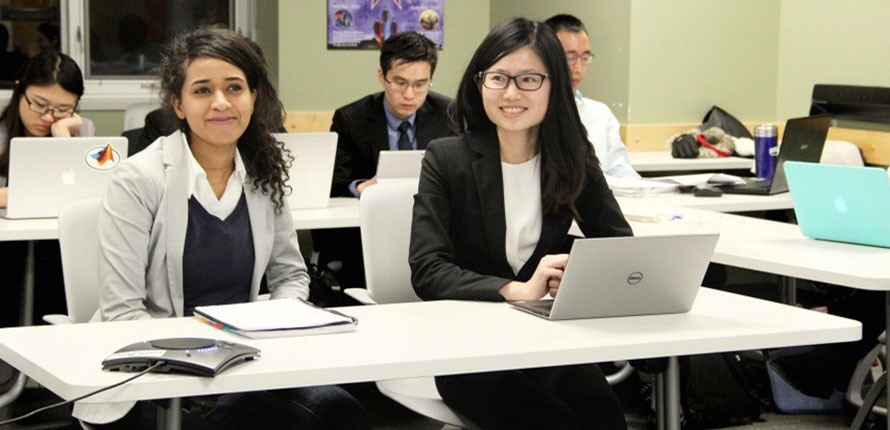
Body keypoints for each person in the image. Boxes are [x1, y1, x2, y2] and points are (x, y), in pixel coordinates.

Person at [81, 26, 370, 430]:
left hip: (243, 364)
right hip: (151, 371)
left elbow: (289, 274)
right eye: (202, 90)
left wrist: (281, 323)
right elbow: (122, 313)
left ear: (253, 97)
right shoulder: (138, 179)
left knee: (339, 411)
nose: (221, 102)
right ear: (177, 104)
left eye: (234, 87)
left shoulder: (264, 173)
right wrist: (210, 358)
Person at [409, 18, 631, 430]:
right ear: (480, 84)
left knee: (607, 420)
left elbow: (619, 246)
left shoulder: (572, 159)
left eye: (529, 79)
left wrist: (574, 274)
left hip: (546, 342)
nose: (511, 93)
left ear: (554, 87)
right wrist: (515, 290)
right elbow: (428, 268)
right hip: (468, 350)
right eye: (498, 78)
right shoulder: (446, 159)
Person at [318, 31, 453, 288]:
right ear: (382, 77)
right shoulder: (352, 119)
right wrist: (360, 187)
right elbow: (332, 180)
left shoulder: (448, 115)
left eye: (420, 84)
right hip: (368, 234)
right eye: (400, 83)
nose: (410, 94)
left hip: (432, 228)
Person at [545, 14, 640, 179]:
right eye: (570, 58)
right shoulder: (530, 113)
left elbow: (622, 172)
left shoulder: (600, 114)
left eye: (585, 58)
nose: (578, 69)